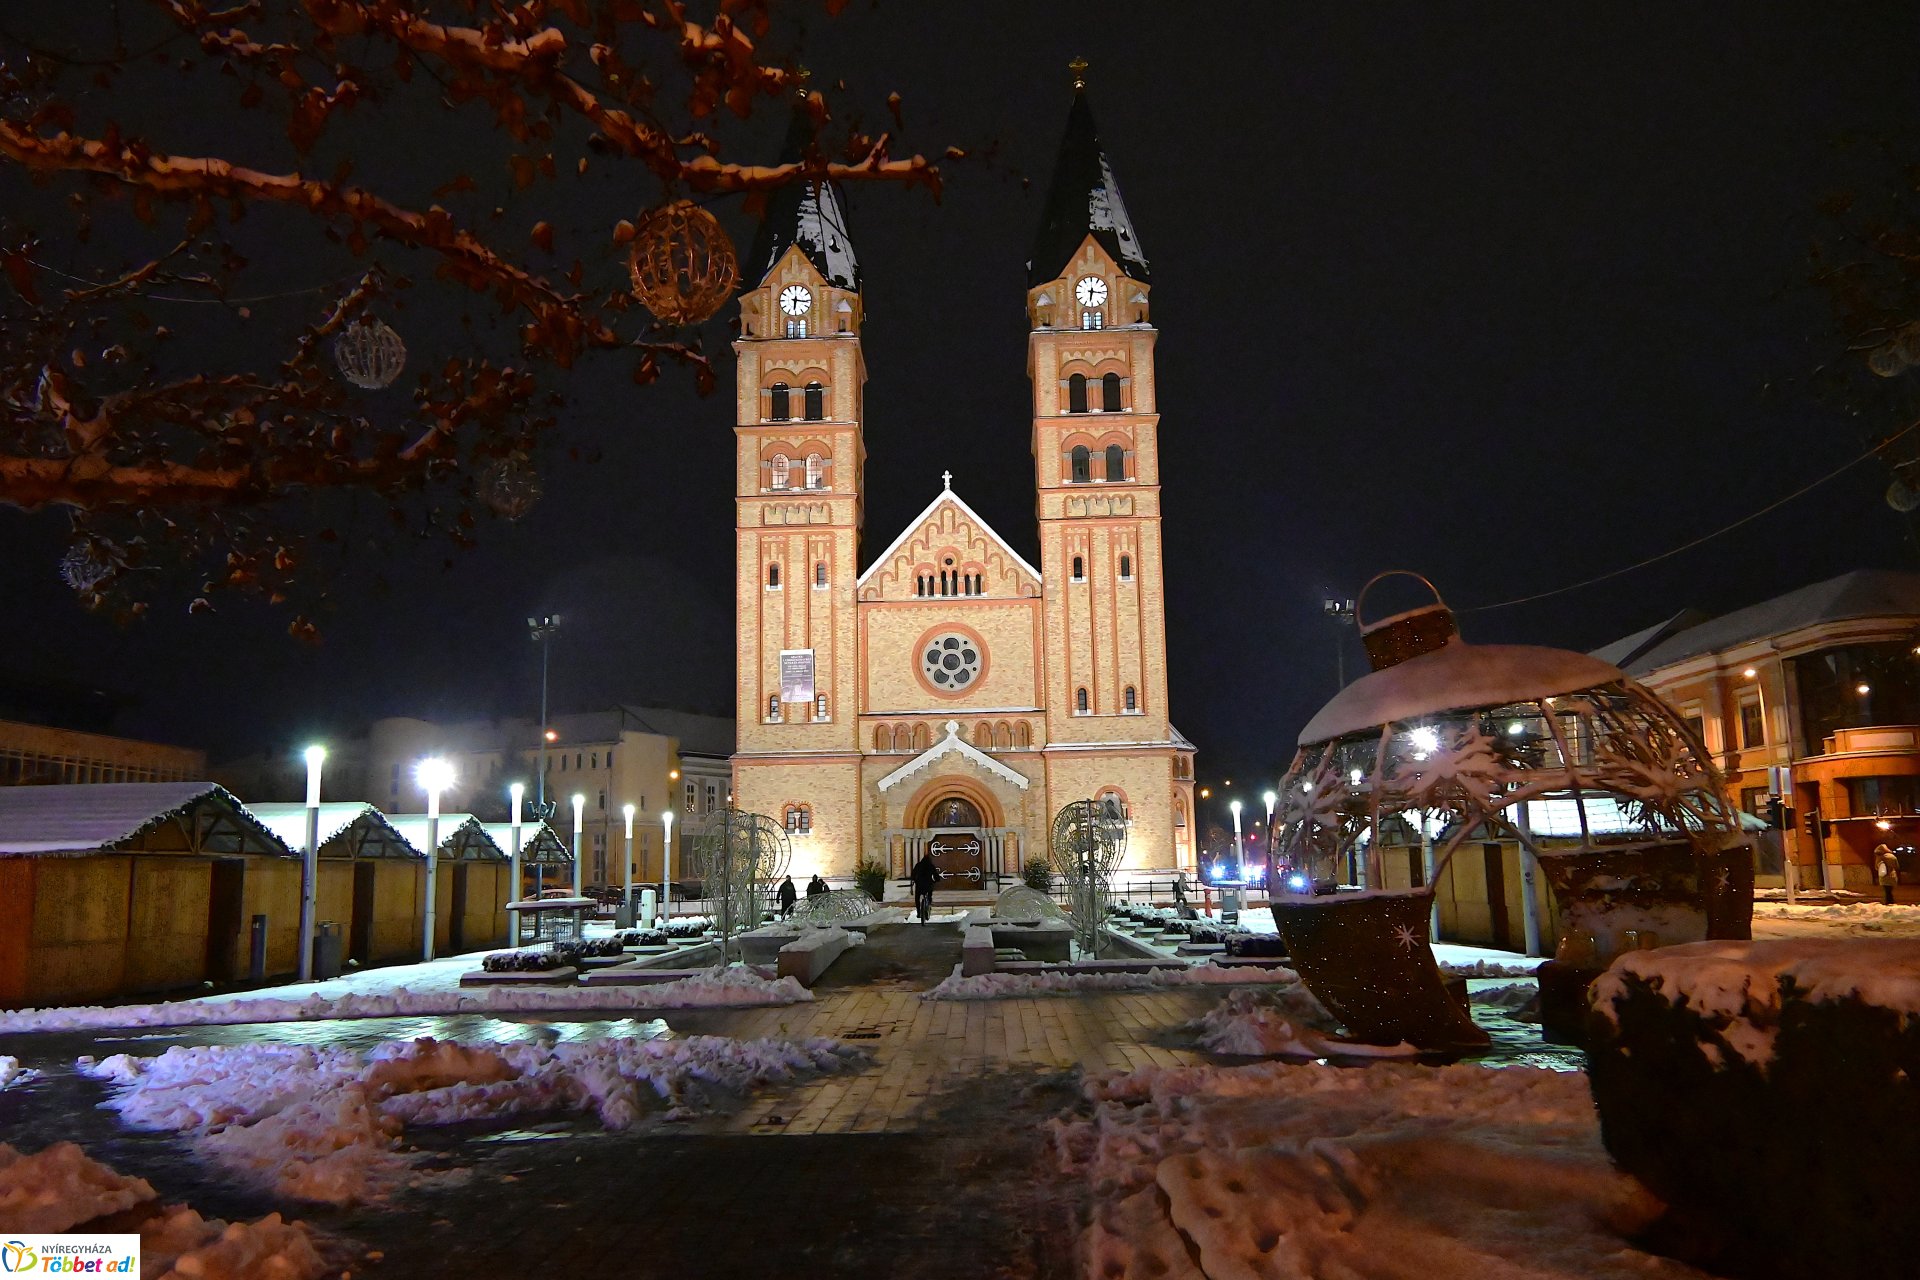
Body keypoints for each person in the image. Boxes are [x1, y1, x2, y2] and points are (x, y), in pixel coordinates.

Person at [910, 852, 939, 923]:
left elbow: (913, 874)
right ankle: (928, 903)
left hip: (919, 884)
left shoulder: (918, 865)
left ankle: (919, 912)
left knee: (917, 897)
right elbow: (936, 875)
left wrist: (914, 879)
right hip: (928, 884)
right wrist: (936, 880)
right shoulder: (931, 865)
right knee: (929, 894)